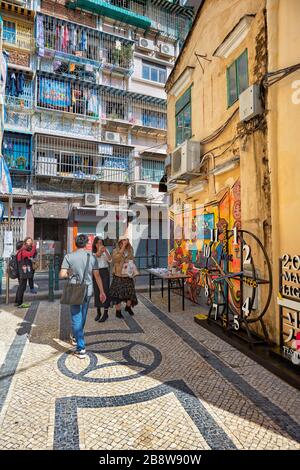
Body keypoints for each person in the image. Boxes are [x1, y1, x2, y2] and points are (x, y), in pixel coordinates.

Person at [59, 234, 106, 359]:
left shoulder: (69, 256)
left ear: (75, 243)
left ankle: (81, 348)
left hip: (75, 289)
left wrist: (70, 273)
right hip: (88, 290)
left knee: (76, 317)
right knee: (83, 315)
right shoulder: (92, 257)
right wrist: (102, 291)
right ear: (86, 244)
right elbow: (97, 275)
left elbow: (62, 274)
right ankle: (76, 336)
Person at [109, 236, 138, 318]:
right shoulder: (115, 250)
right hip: (118, 275)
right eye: (124, 240)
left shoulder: (130, 250)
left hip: (128, 274)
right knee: (117, 294)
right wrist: (123, 248)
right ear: (120, 242)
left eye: (127, 240)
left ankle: (128, 307)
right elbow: (115, 259)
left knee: (130, 293)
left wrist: (131, 265)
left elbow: (133, 259)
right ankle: (118, 312)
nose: (126, 241)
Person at [92, 237, 112, 323]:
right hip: (96, 272)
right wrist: (100, 251)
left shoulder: (105, 250)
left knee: (105, 291)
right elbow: (97, 255)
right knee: (97, 292)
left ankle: (106, 313)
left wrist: (106, 251)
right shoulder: (93, 252)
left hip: (104, 272)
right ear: (95, 244)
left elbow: (110, 260)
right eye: (98, 243)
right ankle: (98, 312)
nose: (100, 244)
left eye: (101, 243)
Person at [15, 237, 37, 308]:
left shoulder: (19, 252)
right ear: (22, 246)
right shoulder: (23, 251)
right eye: (24, 244)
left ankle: (17, 301)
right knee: (22, 287)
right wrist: (34, 246)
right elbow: (30, 254)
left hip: (20, 271)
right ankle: (20, 303)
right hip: (23, 272)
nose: (26, 245)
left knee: (20, 286)